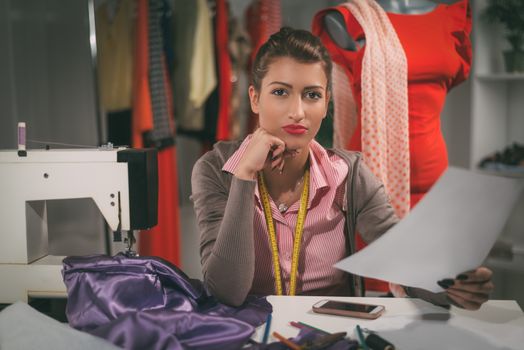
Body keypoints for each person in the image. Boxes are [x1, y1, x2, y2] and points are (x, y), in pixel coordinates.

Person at [190, 27, 493, 309]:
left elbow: (406, 264)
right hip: (249, 335)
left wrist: (451, 288)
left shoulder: (350, 174)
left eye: (312, 95)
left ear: (326, 104)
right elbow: (226, 292)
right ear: (255, 99)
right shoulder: (216, 169)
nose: (297, 112)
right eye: (280, 92)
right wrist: (244, 176)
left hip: (331, 336)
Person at [312, 0, 471, 292]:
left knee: (434, 295)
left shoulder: (451, 18)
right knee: (375, 298)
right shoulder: (350, 19)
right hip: (373, 180)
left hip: (435, 183)